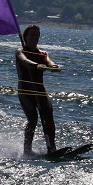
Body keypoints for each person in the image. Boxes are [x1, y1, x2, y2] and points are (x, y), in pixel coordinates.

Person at [15, 24, 61, 155]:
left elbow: (49, 61)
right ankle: (27, 151)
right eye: (32, 35)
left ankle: (52, 148)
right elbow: (25, 61)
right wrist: (36, 66)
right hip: (25, 91)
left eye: (37, 35)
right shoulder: (20, 52)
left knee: (49, 117)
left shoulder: (43, 54)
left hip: (40, 91)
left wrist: (54, 66)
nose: (35, 37)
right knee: (33, 119)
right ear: (26, 37)